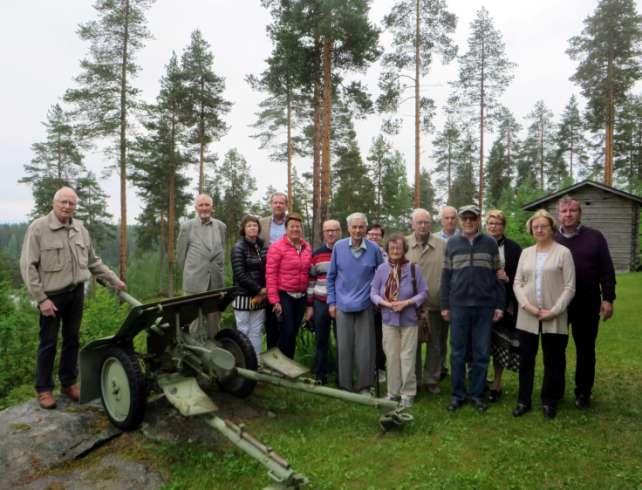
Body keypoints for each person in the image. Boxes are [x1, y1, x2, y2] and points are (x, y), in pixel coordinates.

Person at [20, 187, 125, 409]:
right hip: (52, 296)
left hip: (76, 293)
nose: (67, 206)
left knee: (72, 339)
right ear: (54, 202)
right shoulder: (38, 229)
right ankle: (44, 389)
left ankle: (68, 383)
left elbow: (93, 262)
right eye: (63, 202)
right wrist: (41, 299)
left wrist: (114, 280)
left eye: (71, 203)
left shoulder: (80, 229)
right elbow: (28, 267)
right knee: (48, 342)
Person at [512, 209, 575, 419]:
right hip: (527, 315)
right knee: (526, 359)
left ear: (551, 228)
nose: (539, 230)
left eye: (543, 226)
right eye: (535, 227)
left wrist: (554, 311)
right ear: (531, 229)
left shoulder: (563, 253)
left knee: (553, 360)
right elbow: (517, 283)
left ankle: (549, 401)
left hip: (554, 315)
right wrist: (527, 306)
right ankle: (523, 400)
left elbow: (569, 287)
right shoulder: (526, 253)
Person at [441, 205, 504, 413]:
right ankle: (458, 394)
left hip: (484, 307)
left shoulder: (490, 244)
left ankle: (477, 394)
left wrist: (499, 305)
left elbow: (499, 276)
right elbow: (446, 277)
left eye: (472, 218)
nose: (468, 222)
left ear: (478, 220)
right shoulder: (451, 244)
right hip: (458, 306)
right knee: (457, 352)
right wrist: (444, 305)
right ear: (460, 221)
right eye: (464, 218)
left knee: (481, 352)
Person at [555, 195, 616, 409]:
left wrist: (608, 298)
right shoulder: (552, 239)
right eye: (564, 211)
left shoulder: (595, 237)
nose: (568, 214)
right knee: (556, 349)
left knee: (586, 349)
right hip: (559, 305)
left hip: (587, 302)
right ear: (558, 214)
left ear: (580, 213)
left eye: (572, 210)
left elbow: (607, 270)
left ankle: (583, 392)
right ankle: (556, 389)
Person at [327, 212, 383, 394]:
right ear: (348, 228)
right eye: (354, 227)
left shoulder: (374, 249)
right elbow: (331, 277)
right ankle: (345, 385)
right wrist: (332, 302)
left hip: (366, 306)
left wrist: (377, 300)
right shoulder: (339, 247)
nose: (357, 230)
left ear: (366, 229)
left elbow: (381, 276)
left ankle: (364, 385)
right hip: (342, 305)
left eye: (361, 227)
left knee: (365, 349)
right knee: (344, 347)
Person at [371, 234, 427, 408]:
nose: (395, 251)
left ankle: (408, 393)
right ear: (387, 249)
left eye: (399, 248)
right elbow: (373, 292)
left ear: (404, 250)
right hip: (388, 320)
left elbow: (424, 292)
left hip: (409, 319)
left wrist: (407, 302)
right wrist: (384, 303)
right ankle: (393, 392)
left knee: (407, 357)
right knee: (392, 357)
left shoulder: (413, 268)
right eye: (392, 248)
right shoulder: (381, 269)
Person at [405, 208, 447, 394]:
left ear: (431, 224)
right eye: (419, 222)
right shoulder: (403, 243)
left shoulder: (442, 245)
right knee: (411, 344)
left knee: (435, 343)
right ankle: (413, 378)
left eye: (426, 222)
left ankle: (431, 378)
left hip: (435, 303)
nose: (423, 225)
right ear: (412, 224)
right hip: (410, 306)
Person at [485, 209, 523, 402]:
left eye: (497, 223)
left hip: (505, 303)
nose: (494, 226)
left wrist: (508, 277)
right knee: (481, 343)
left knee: (500, 343)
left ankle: (497, 382)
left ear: (504, 226)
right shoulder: (477, 244)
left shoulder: (514, 248)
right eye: (490, 223)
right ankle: (480, 379)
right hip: (481, 303)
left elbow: (524, 275)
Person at [177, 194, 226, 337]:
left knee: (214, 323)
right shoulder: (187, 227)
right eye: (201, 205)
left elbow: (221, 250)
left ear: (212, 207)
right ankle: (197, 355)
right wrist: (191, 274)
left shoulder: (221, 226)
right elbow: (181, 256)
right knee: (194, 323)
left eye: (207, 205)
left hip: (215, 283)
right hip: (194, 283)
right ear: (196, 208)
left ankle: (214, 352)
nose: (204, 208)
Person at [265, 213, 312, 359]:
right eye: (292, 226)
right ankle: (278, 362)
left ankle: (288, 363)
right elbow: (270, 274)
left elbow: (309, 272)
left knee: (294, 331)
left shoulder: (306, 247)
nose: (295, 229)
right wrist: (274, 300)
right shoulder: (277, 247)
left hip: (301, 296)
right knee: (288, 329)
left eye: (298, 226)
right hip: (284, 294)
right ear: (286, 228)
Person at [304, 219, 341, 384]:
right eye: (328, 230)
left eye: (334, 230)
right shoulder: (317, 254)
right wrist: (310, 305)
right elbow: (311, 281)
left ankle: (343, 376)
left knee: (343, 341)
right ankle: (320, 375)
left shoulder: (347, 252)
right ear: (323, 233)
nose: (331, 233)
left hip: (342, 304)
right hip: (321, 302)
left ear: (340, 232)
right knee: (321, 340)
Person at [231, 215, 268, 356]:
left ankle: (256, 361)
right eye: (249, 226)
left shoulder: (261, 246)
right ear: (243, 229)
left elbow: (267, 269)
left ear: (258, 228)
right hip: (243, 296)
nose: (253, 228)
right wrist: (259, 289)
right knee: (243, 330)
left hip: (260, 296)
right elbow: (240, 274)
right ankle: (244, 362)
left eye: (255, 225)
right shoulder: (238, 248)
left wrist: (263, 291)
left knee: (256, 330)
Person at [259, 192, 288, 349]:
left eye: (281, 203)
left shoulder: (291, 223)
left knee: (284, 314)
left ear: (286, 205)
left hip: (286, 275)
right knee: (270, 315)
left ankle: (284, 352)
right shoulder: (262, 223)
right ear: (271, 204)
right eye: (275, 202)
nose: (278, 205)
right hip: (267, 273)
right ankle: (271, 351)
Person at [366, 223, 387, 381]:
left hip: (382, 304)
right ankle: (367, 367)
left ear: (382, 237)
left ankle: (380, 367)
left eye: (377, 235)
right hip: (364, 302)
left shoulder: (388, 255)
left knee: (381, 337)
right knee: (367, 337)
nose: (374, 237)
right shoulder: (362, 252)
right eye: (371, 234)